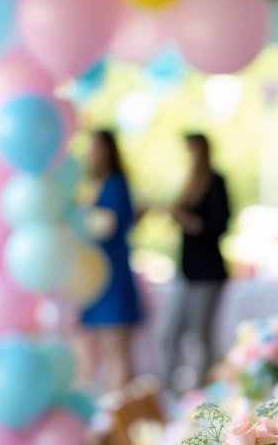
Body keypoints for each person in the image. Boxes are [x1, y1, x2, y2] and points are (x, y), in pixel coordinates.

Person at [160, 134, 230, 389]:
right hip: (186, 269)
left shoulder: (216, 182)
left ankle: (203, 396)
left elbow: (220, 225)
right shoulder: (189, 183)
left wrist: (188, 221)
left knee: (200, 336)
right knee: (168, 334)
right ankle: (172, 394)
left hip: (207, 271)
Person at [80, 129, 143, 391]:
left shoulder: (116, 184)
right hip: (92, 279)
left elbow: (115, 224)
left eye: (97, 146)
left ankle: (117, 412)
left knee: (117, 350)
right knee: (90, 351)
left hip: (113, 275)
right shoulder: (88, 187)